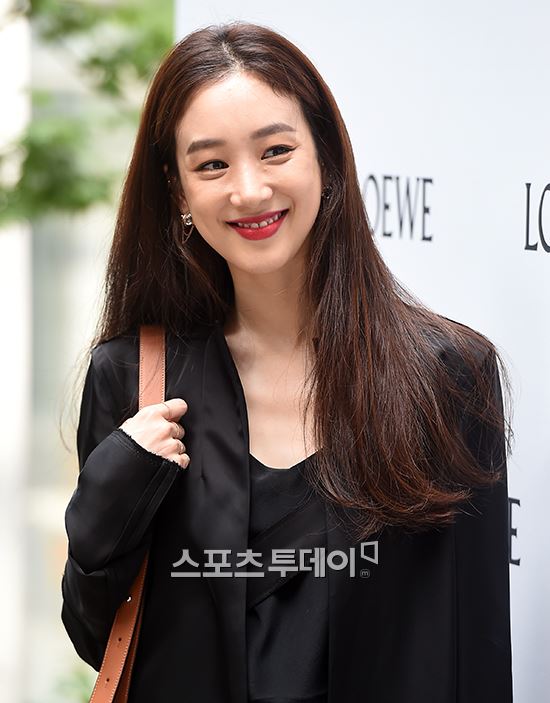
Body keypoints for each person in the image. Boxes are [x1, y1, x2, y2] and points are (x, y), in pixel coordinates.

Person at [61, 20, 513, 703]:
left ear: (324, 156)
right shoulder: (132, 376)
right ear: (178, 191)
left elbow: (475, 653)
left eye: (275, 150)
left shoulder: (448, 377)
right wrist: (114, 490)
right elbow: (98, 636)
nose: (248, 190)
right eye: (212, 165)